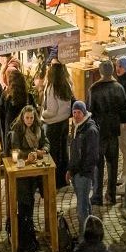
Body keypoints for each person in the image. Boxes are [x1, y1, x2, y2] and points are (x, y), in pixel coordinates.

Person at [9, 104, 50, 252]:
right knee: (24, 201)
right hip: (23, 170)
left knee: (31, 199)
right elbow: (15, 149)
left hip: (36, 170)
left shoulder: (38, 127)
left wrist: (43, 150)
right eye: (27, 118)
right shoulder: (17, 130)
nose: (29, 120)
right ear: (22, 117)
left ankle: (29, 231)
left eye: (31, 117)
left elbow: (46, 142)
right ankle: (25, 237)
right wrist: (29, 154)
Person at [88, 60, 126, 206]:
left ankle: (97, 195)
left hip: (99, 130)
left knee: (98, 165)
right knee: (113, 164)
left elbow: (90, 109)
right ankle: (110, 195)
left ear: (100, 72)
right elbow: (124, 107)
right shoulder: (119, 87)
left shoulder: (94, 89)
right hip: (113, 130)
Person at [41, 59, 75, 187]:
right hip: (64, 122)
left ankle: (53, 181)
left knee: (53, 153)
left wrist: (42, 114)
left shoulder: (51, 87)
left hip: (53, 124)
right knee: (63, 151)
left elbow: (52, 110)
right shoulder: (66, 84)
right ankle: (63, 179)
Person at [68, 100, 100, 232]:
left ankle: (83, 239)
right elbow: (74, 152)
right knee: (85, 203)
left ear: (84, 113)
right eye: (74, 112)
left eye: (78, 112)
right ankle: (91, 234)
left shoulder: (90, 130)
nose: (75, 115)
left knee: (82, 209)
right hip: (76, 173)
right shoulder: (77, 126)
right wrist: (70, 170)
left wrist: (81, 172)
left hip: (83, 174)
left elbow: (92, 156)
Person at [0, 57, 31, 142]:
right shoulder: (28, 96)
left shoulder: (6, 96)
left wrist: (4, 128)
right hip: (25, 128)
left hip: (9, 128)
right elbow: (34, 112)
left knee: (11, 152)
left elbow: (1, 114)